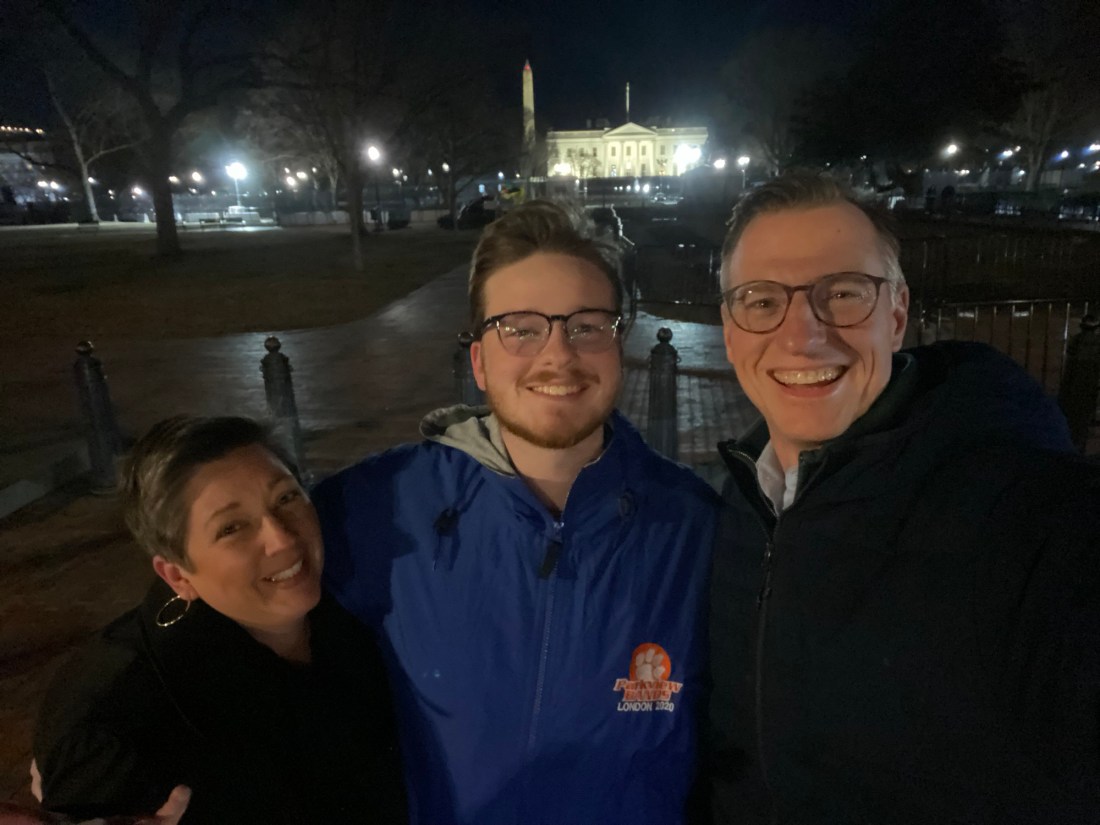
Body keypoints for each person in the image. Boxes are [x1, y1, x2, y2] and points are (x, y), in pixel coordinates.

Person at [706, 171, 1100, 822]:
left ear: (897, 312)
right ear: (729, 329)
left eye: (844, 293)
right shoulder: (738, 506)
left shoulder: (1016, 509)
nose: (802, 333)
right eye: (761, 300)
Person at [313, 200, 721, 824]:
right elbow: (239, 636)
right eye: (521, 328)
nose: (557, 355)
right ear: (478, 361)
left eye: (586, 324)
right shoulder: (377, 508)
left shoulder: (699, 528)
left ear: (618, 345)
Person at [34, 416, 407, 824]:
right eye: (232, 528)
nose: (282, 538)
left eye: (286, 498)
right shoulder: (121, 717)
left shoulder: (357, 605)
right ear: (176, 574)